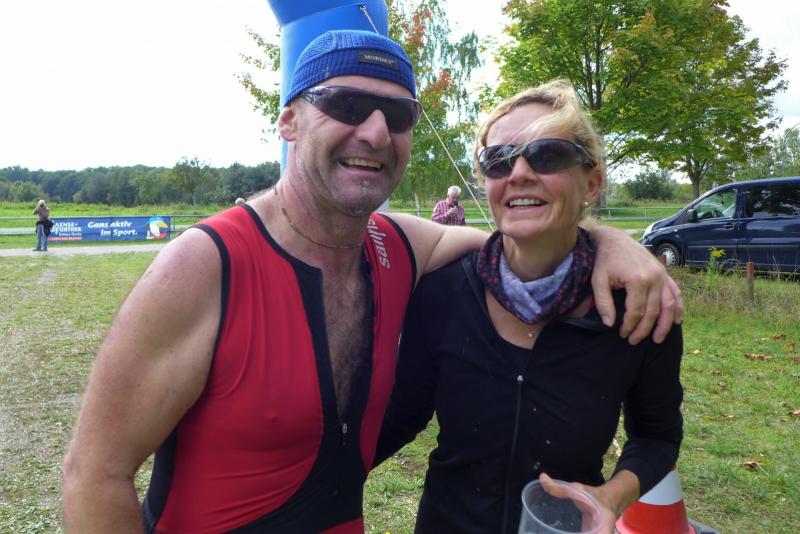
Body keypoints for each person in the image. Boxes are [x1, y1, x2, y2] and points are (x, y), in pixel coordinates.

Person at [62, 32, 680, 533]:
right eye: (348, 105)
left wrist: (613, 242)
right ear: (289, 121)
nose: (377, 132)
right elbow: (94, 477)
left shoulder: (399, 247)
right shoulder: (204, 264)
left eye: (398, 114)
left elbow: (518, 235)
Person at [375, 81, 684, 534]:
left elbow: (657, 435)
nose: (519, 172)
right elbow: (403, 413)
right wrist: (310, 480)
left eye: (548, 155)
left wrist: (610, 497)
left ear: (591, 183)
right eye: (498, 160)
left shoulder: (637, 306)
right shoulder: (443, 291)